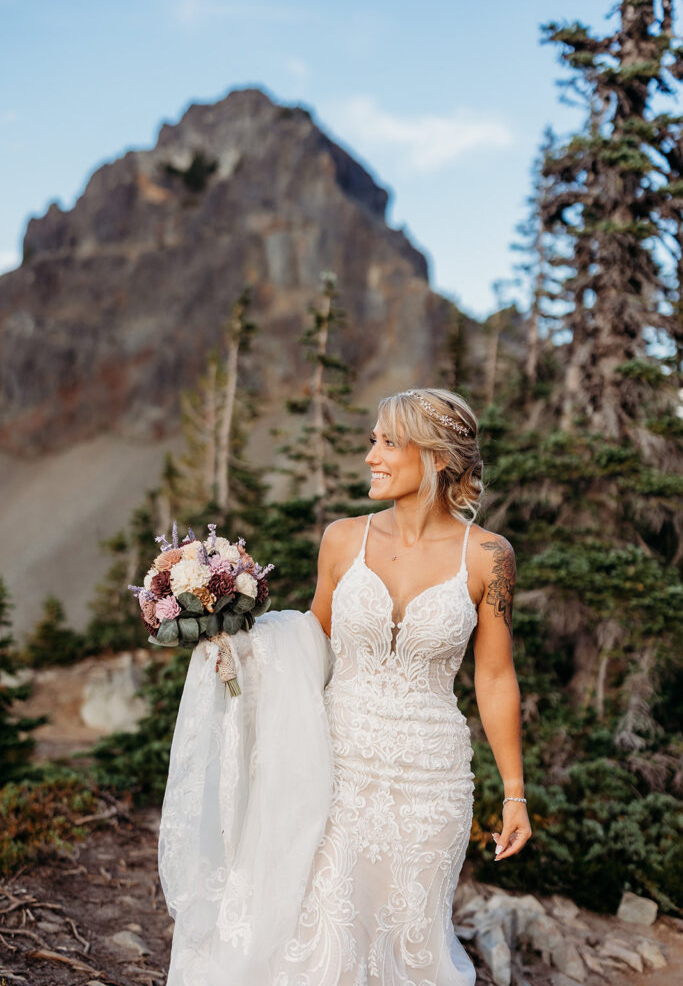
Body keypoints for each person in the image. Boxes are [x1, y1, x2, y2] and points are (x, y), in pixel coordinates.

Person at [158, 387, 531, 986]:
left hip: (433, 781)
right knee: (324, 938)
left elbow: (494, 676)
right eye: (371, 440)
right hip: (338, 765)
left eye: (388, 442)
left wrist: (513, 792)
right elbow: (312, 639)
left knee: (409, 946)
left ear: (435, 458)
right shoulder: (342, 539)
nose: (371, 457)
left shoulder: (489, 557)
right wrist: (237, 641)